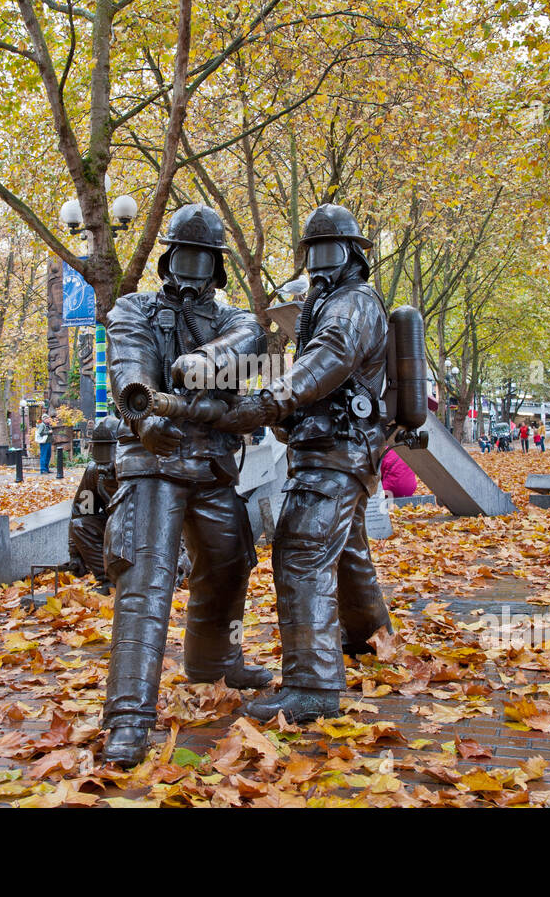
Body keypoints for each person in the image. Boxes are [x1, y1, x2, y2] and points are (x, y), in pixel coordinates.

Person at [100, 203, 272, 767]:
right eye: (186, 253)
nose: (194, 265)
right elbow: (130, 363)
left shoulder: (234, 319)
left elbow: (248, 346)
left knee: (229, 564)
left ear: (216, 265)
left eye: (204, 256)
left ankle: (212, 662)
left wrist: (200, 365)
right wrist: (144, 415)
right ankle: (128, 718)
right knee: (145, 580)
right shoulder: (133, 307)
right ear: (169, 257)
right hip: (154, 461)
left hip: (214, 465)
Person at [219, 203, 394, 724]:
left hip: (339, 453)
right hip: (328, 449)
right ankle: (369, 637)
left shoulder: (352, 303)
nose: (318, 264)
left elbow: (331, 357)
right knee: (347, 550)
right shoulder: (326, 304)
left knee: (301, 549)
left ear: (353, 257)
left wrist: (273, 401)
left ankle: (313, 686)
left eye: (328, 252)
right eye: (312, 253)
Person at [68, 418, 121, 595]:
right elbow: (82, 511)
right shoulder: (93, 472)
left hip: (143, 528)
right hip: (112, 525)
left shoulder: (141, 467)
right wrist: (75, 554)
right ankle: (108, 580)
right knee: (80, 526)